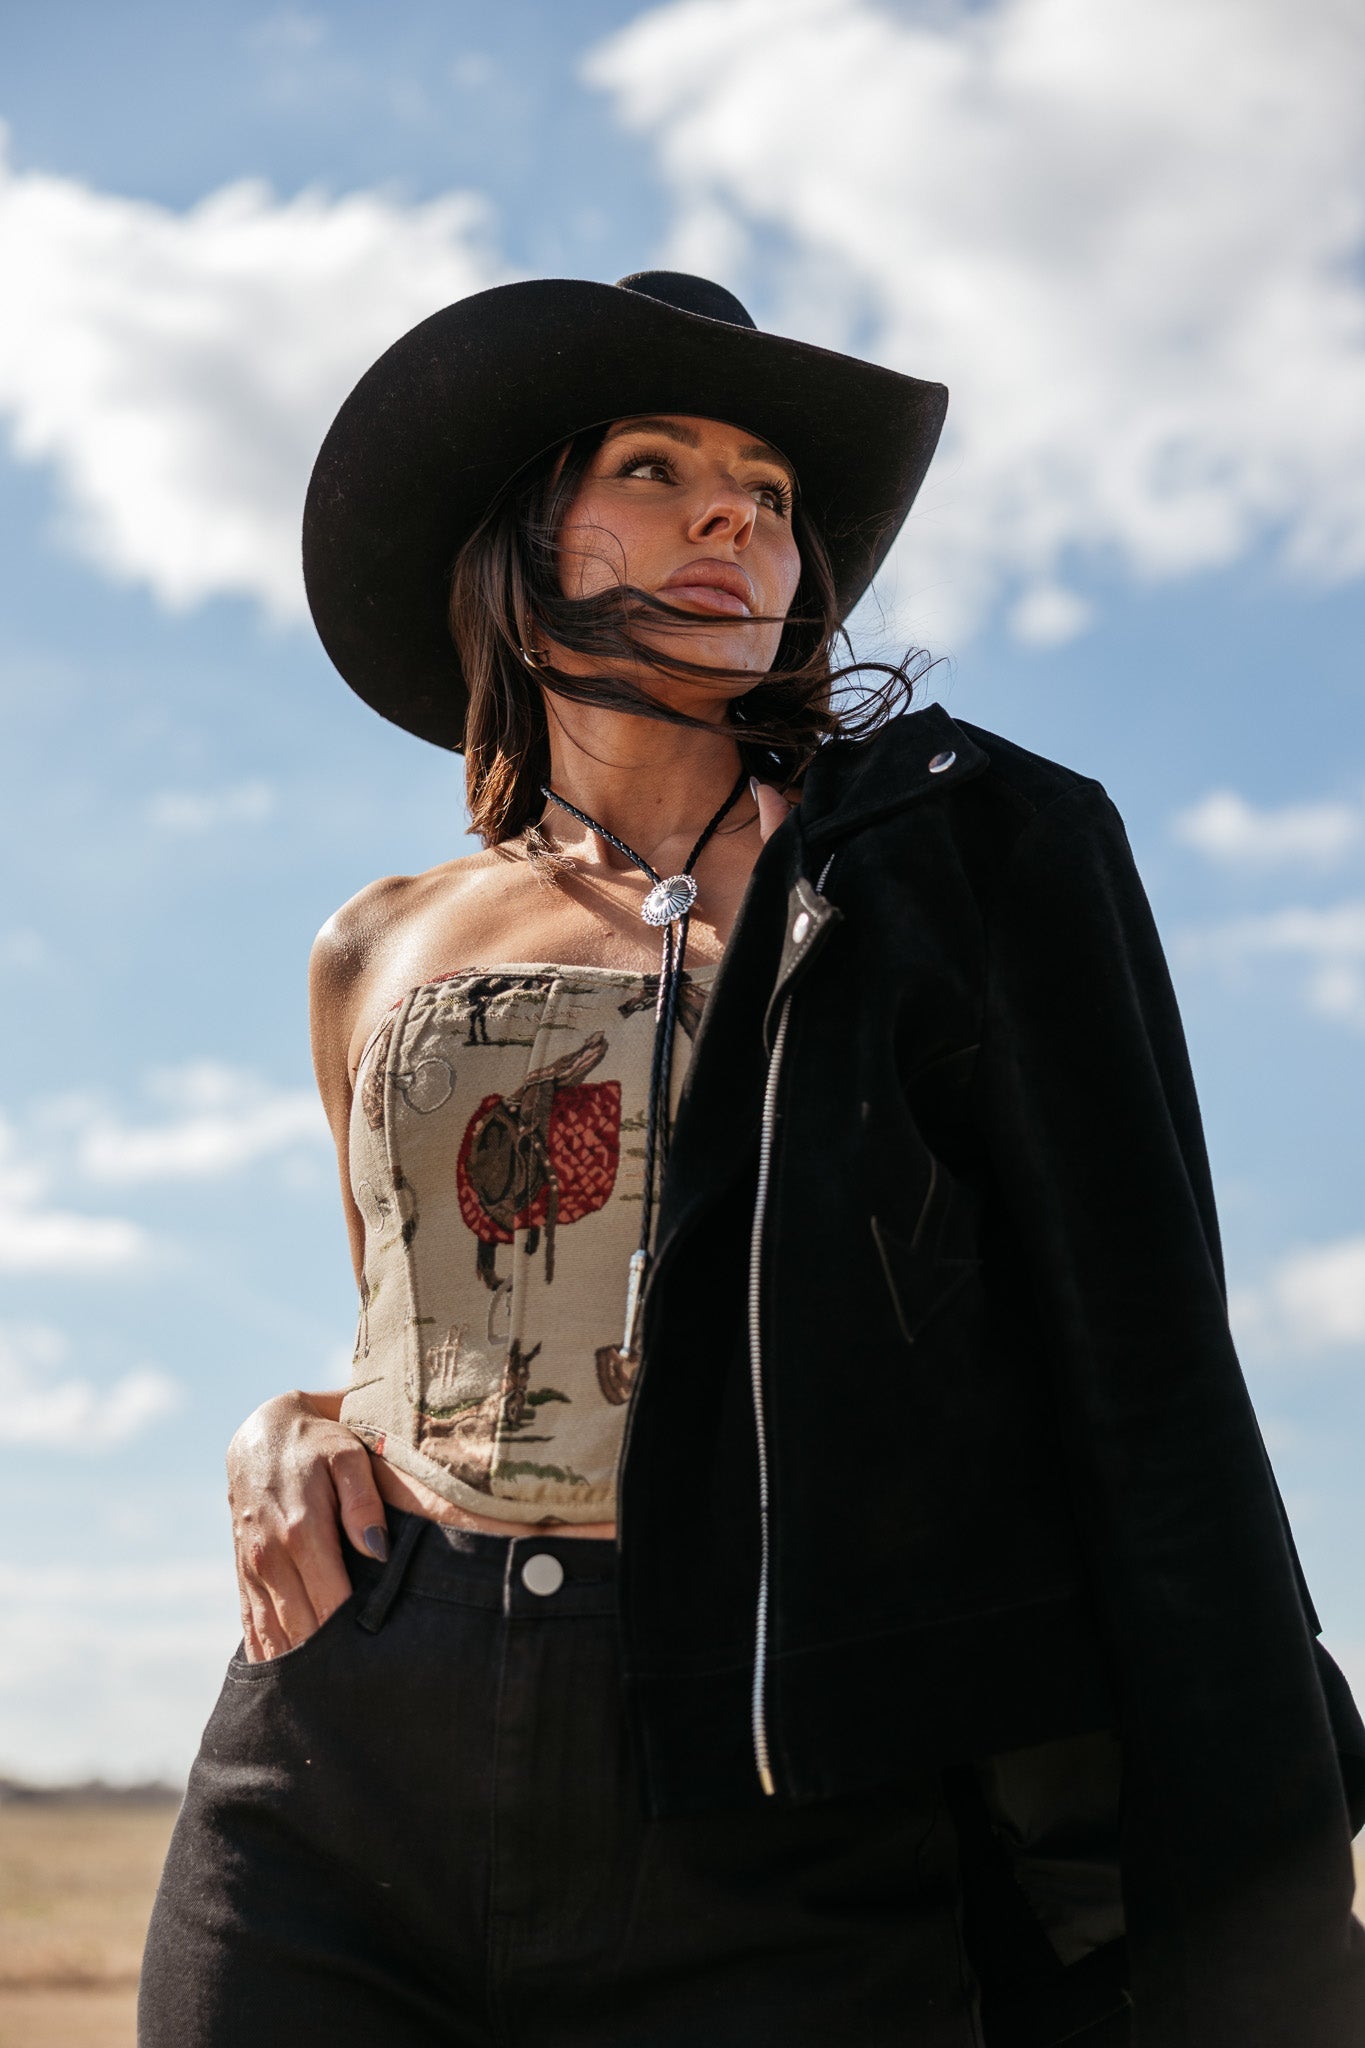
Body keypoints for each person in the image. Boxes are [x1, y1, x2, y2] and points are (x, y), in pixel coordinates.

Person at [139, 271, 1365, 2048]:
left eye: (772, 496)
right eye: (653, 463)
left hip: (779, 1791)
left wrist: (1250, 1896)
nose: (732, 514)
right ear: (522, 534)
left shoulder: (957, 866)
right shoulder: (373, 945)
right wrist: (289, 1428)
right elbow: (423, 1327)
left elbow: (1154, 1385)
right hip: (340, 1759)